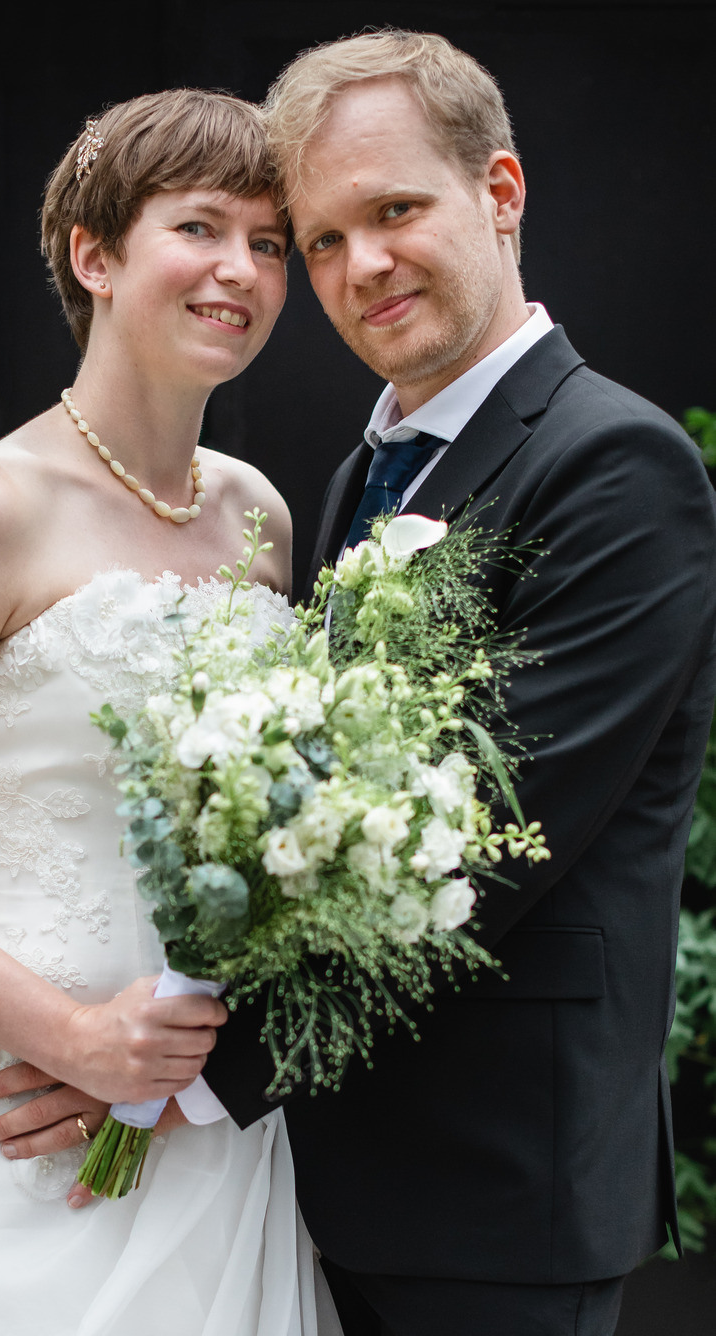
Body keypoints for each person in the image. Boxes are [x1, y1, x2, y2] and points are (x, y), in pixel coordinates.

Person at [195, 30, 716, 1336]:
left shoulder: (614, 467)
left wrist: (175, 1080)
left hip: (494, 1193)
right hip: (343, 1171)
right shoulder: (364, 471)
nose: (357, 266)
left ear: (498, 192)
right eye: (317, 240)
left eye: (392, 211)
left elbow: (478, 849)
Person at [0, 89, 339, 1336]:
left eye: (271, 244)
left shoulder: (261, 517)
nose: (243, 271)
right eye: (202, 228)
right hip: (18, 1119)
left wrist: (179, 1069)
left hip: (209, 1133)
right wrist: (77, 1036)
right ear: (95, 255)